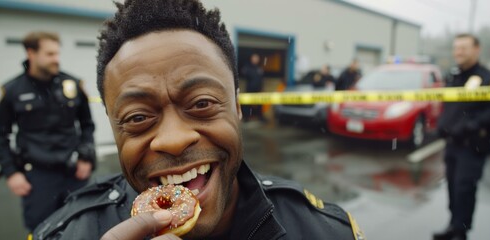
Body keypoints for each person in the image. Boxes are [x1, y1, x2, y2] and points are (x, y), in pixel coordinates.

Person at [31, 1, 365, 239]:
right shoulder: (64, 233)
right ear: (114, 128)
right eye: (137, 117)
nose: (174, 139)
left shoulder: (328, 232)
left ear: (236, 105)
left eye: (202, 103)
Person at [0, 31, 96, 231]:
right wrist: (11, 173)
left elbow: (87, 125)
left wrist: (86, 157)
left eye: (57, 54)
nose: (56, 59)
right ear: (31, 53)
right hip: (37, 177)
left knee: (83, 227)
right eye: (50, 54)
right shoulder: (11, 91)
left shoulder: (73, 85)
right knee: (41, 231)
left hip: (74, 173)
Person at [434, 34, 490, 240]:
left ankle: (462, 231)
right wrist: (442, 126)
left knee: (464, 188)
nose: (458, 52)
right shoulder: (454, 76)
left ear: (477, 49)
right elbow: (450, 106)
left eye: (463, 48)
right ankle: (453, 225)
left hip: (473, 145)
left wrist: (472, 125)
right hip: (452, 144)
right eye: (456, 48)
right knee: (451, 186)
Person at [241, 53, 266, 122]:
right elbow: (244, 74)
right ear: (251, 59)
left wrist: (262, 89)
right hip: (250, 89)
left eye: (257, 58)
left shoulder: (259, 68)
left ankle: (260, 117)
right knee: (247, 104)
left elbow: (261, 79)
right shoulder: (247, 67)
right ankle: (246, 117)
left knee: (259, 104)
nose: (256, 60)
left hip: (258, 89)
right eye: (254, 58)